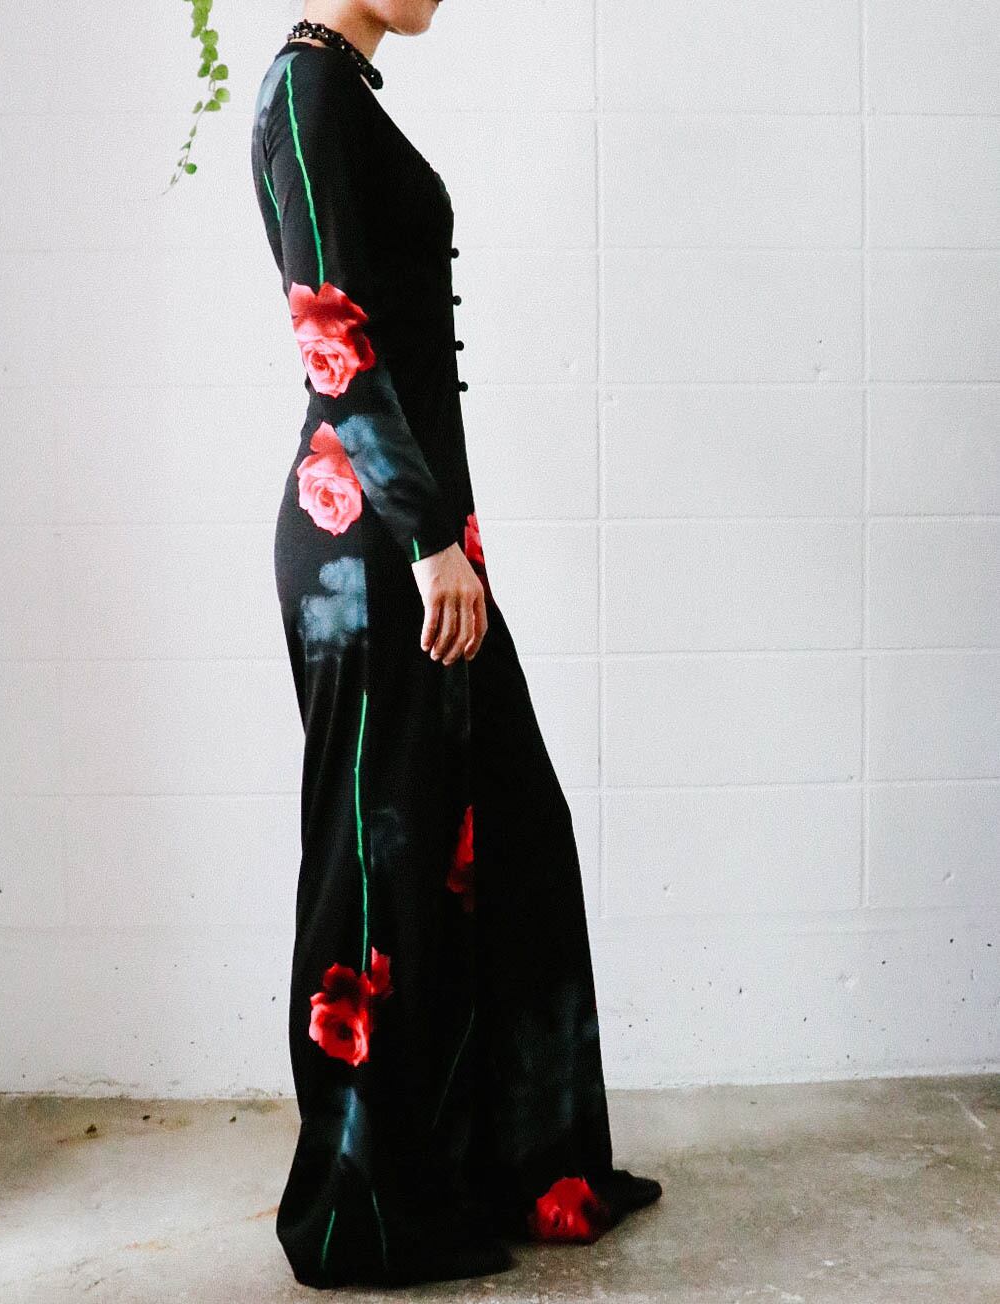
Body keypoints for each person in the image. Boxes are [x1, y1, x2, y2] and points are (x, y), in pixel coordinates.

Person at [250, 1, 663, 1288]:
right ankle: (355, 1210)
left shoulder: (342, 93)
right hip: (372, 551)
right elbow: (330, 334)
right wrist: (429, 538)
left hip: (417, 542)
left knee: (503, 832)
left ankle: (507, 1164)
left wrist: (446, 538)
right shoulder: (304, 96)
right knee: (373, 869)